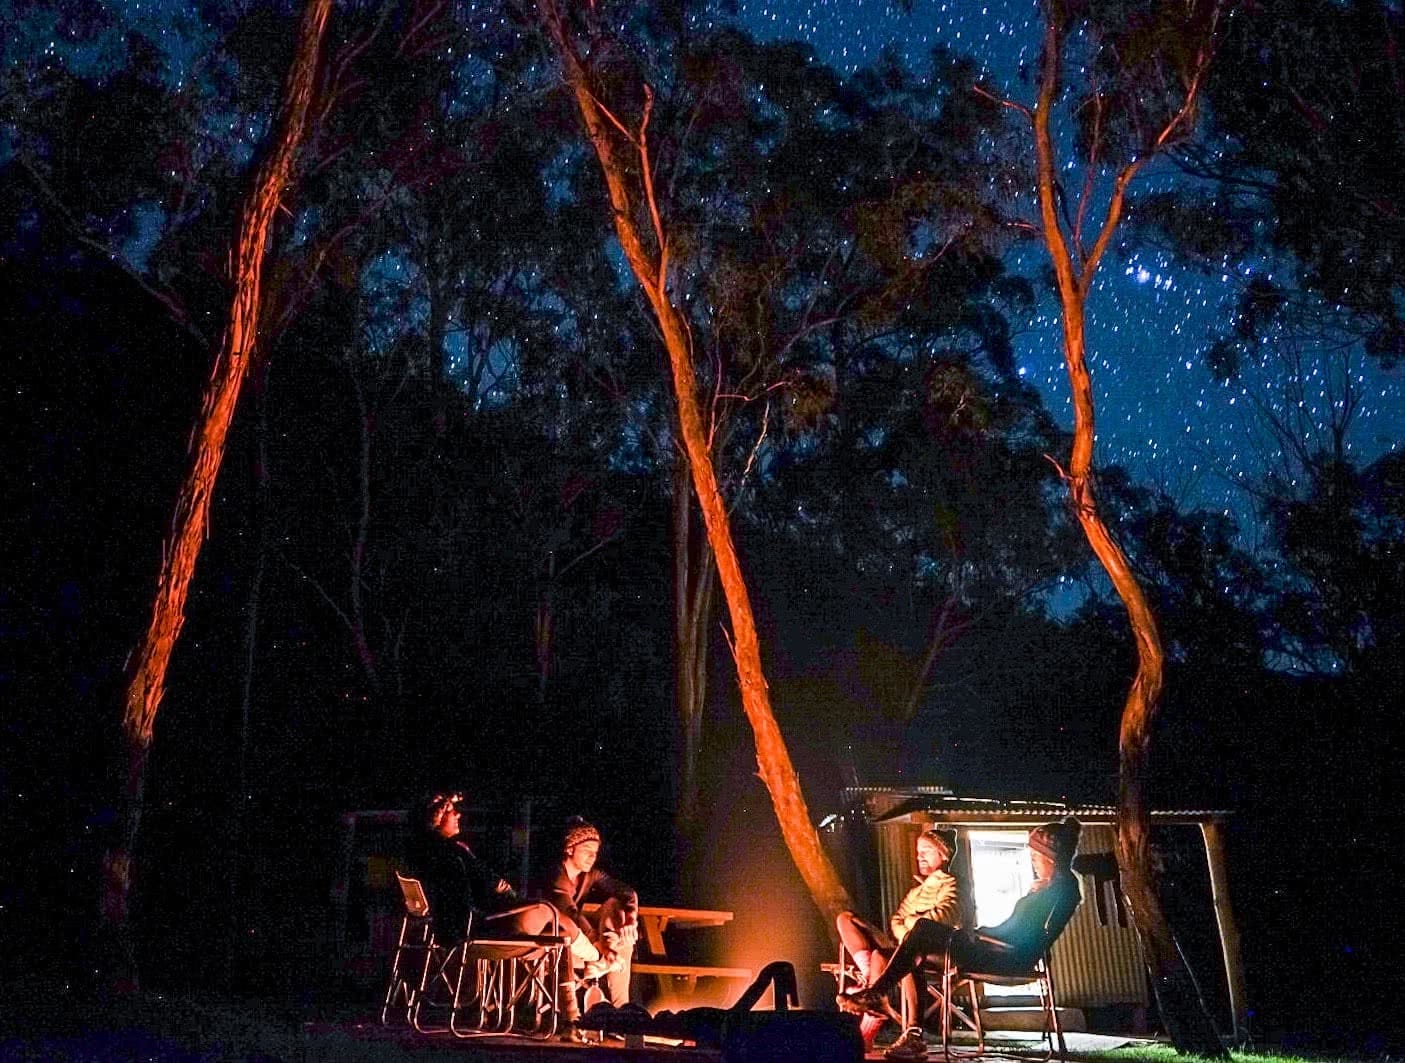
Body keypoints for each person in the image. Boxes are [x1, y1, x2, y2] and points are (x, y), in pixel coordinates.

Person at [838, 818, 1082, 1023]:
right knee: (915, 949)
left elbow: (1028, 938)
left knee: (921, 932)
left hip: (1007, 958)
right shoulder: (1050, 890)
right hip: (996, 950)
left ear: (1051, 857)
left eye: (1035, 857)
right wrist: (984, 932)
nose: (1033, 863)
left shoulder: (1062, 889)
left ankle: (880, 995)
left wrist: (982, 936)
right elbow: (1015, 929)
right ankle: (901, 1020)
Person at [835, 827, 961, 1060]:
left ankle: (889, 1007)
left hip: (935, 949)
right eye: (917, 852)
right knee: (846, 919)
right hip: (903, 943)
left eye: (926, 851)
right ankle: (871, 977)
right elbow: (896, 920)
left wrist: (911, 924)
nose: (919, 856)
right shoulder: (916, 891)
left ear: (944, 854)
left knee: (885, 957)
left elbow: (944, 916)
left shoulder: (952, 884)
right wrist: (909, 929)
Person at [403, 791, 563, 943]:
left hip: (443, 930)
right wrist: (511, 896)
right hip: (477, 928)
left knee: (553, 932)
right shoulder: (453, 853)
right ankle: (586, 955)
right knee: (549, 911)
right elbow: (491, 885)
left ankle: (584, 957)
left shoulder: (420, 856)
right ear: (436, 818)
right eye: (451, 812)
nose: (458, 815)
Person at [535, 816, 640, 1034]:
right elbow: (571, 914)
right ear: (570, 848)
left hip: (586, 942)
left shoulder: (590, 875)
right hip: (557, 941)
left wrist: (631, 919)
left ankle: (619, 1008)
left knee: (614, 906)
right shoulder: (555, 875)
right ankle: (609, 970)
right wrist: (599, 943)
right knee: (613, 944)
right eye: (587, 850)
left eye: (596, 851)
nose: (593, 856)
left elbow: (627, 893)